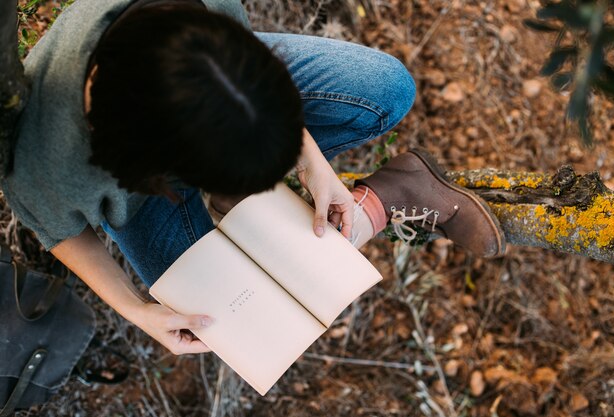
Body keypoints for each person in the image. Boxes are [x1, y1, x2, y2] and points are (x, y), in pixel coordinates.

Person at [2, 0, 504, 355]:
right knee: (222, 315)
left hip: (199, 95)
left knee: (385, 89)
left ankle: (388, 194)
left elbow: (252, 89)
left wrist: (311, 161)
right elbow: (66, 234)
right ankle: (376, 207)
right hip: (133, 174)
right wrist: (136, 310)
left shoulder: (199, 11)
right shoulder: (47, 166)